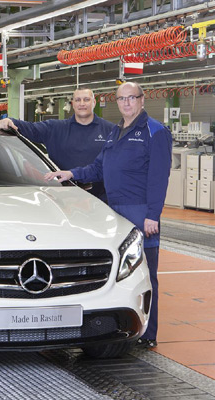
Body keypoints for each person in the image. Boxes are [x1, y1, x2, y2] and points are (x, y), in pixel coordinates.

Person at [45, 82, 172, 349]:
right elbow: (99, 167)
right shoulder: (116, 131)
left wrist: (153, 215)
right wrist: (72, 173)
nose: (126, 103)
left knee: (145, 273)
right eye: (121, 98)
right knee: (116, 271)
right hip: (114, 212)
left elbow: (159, 177)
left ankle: (148, 333)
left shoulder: (155, 131)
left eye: (131, 98)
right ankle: (114, 325)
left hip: (140, 213)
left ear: (142, 100)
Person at [0, 88, 115, 200]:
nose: (82, 103)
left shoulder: (111, 130)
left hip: (102, 199)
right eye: (78, 100)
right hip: (63, 199)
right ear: (73, 103)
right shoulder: (55, 128)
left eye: (86, 99)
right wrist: (10, 121)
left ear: (94, 102)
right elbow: (31, 129)